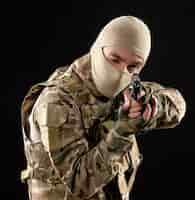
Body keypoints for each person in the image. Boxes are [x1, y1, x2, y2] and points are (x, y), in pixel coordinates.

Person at [20, 15, 186, 200]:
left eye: (133, 66)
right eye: (114, 59)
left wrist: (151, 108)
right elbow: (78, 183)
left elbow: (177, 104)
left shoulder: (127, 89)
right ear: (98, 49)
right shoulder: (57, 101)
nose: (121, 72)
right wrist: (121, 133)